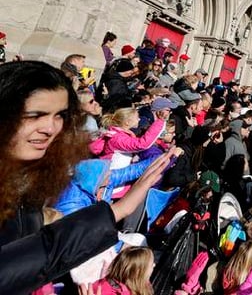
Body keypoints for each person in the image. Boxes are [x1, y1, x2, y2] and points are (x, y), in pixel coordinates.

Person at [0, 60, 176, 293]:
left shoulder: (30, 183)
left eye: (60, 116)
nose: (50, 128)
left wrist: (121, 208)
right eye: (36, 114)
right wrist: (115, 212)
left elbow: (38, 255)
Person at [91, 245, 155, 295]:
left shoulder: (140, 282)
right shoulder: (105, 291)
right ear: (138, 271)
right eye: (151, 264)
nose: (154, 265)